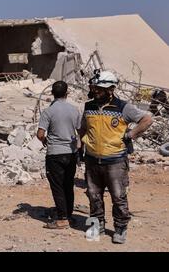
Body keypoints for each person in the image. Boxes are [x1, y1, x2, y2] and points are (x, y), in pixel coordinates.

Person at [79, 71, 153, 244]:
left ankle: (120, 228)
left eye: (100, 88)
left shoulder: (123, 107)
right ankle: (96, 226)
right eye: (95, 87)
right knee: (93, 195)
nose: (96, 91)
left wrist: (130, 135)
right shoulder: (88, 106)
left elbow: (147, 120)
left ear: (111, 89)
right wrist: (80, 147)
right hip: (92, 159)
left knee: (118, 196)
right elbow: (83, 128)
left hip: (115, 161)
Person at [37, 81, 81, 229]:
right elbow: (81, 131)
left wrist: (45, 140)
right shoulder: (74, 110)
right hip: (71, 152)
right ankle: (69, 216)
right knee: (68, 185)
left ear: (52, 94)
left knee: (57, 186)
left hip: (54, 154)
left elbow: (40, 134)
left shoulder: (48, 111)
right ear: (67, 93)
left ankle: (62, 218)